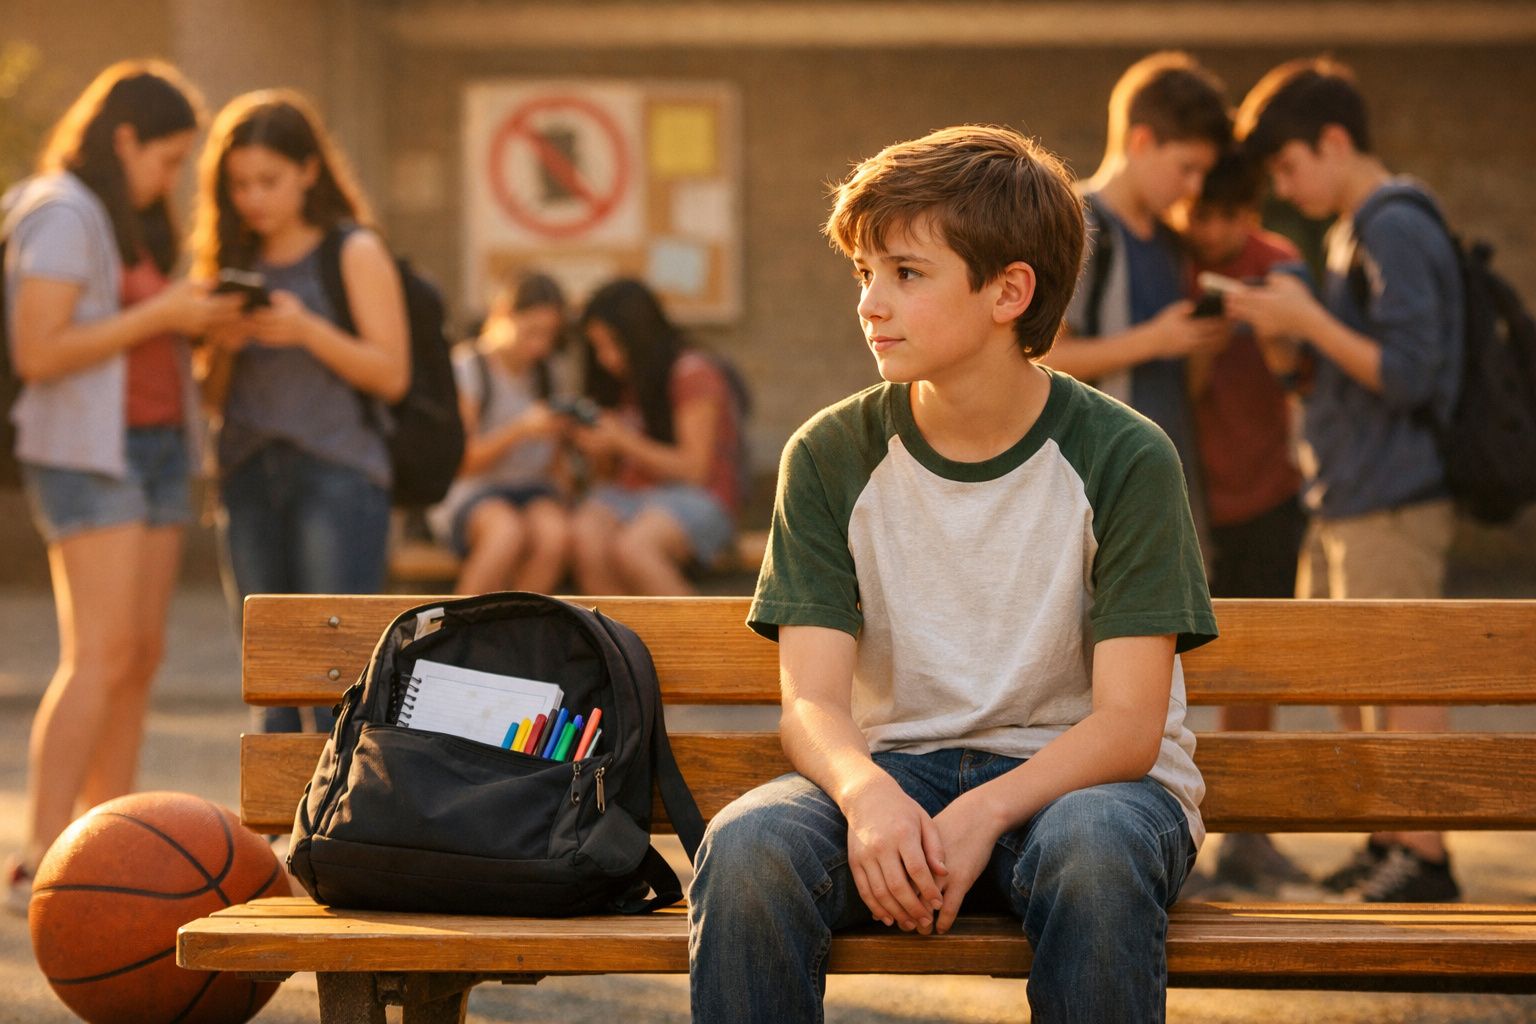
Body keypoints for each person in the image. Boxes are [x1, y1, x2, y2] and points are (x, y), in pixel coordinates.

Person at [688, 125, 1218, 1022]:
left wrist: (982, 816)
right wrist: (868, 795)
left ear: (1010, 290)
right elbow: (812, 704)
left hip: (1088, 789)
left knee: (1093, 853)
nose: (870, 303)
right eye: (864, 273)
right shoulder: (828, 453)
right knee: (750, 848)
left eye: (906, 273)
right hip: (897, 772)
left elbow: (1129, 728)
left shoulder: (1127, 456)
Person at [1, 61, 242, 912]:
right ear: (125, 137)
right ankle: (39, 854)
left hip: (153, 448)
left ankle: (106, 844)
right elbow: (41, 352)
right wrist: (165, 314)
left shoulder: (126, 218)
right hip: (85, 455)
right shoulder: (60, 209)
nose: (172, 179)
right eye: (168, 158)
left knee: (140, 657)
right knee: (98, 655)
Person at [1225, 58, 1463, 902]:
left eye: (1289, 167)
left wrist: (1308, 319)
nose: (1286, 185)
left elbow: (1410, 374)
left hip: (1393, 500)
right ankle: (1389, 839)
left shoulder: (1393, 222)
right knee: (1353, 682)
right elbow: (1348, 376)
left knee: (1402, 681)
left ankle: (1426, 858)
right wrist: (1292, 346)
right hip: (1349, 495)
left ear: (1334, 141)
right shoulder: (1352, 229)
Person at [191, 90, 408, 733]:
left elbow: (392, 375)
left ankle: (342, 826)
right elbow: (209, 396)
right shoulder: (231, 256)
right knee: (269, 679)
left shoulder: (352, 250)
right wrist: (224, 347)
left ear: (309, 171)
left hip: (337, 473)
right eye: (238, 184)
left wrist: (307, 330)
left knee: (340, 675)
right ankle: (275, 831)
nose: (253, 198)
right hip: (248, 474)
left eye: (269, 180)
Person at [1180, 149, 1311, 892]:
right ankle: (1185, 826)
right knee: (1182, 670)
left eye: (1226, 218)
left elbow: (1301, 375)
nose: (1211, 233)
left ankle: (1249, 832)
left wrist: (1274, 334)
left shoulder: (1280, 262)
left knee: (1258, 668)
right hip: (1193, 491)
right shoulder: (1172, 263)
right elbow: (1177, 390)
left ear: (1249, 215)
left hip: (1266, 491)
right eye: (1199, 216)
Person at [1044, 51, 1232, 518]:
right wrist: (1154, 340)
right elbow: (1040, 357)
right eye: (1187, 167)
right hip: (1094, 491)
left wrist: (1201, 342)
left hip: (1164, 490)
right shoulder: (1075, 223)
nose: (1194, 187)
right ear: (1141, 141)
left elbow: (1185, 389)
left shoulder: (1172, 242)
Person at [567, 278, 743, 595]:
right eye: (596, 348)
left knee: (634, 548)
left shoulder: (692, 371)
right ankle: (614, 642)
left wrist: (622, 440)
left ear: (636, 336)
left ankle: (700, 643)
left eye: (610, 345)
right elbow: (609, 476)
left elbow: (694, 470)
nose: (604, 359)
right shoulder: (622, 381)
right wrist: (598, 450)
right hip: (632, 495)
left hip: (699, 497)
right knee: (583, 535)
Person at [426, 272, 571, 594]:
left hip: (531, 487)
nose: (540, 345)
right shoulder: (468, 367)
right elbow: (461, 462)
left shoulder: (550, 371)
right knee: (506, 533)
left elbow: (555, 464)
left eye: (550, 335)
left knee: (556, 536)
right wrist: (520, 430)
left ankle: (519, 635)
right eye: (531, 331)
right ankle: (457, 634)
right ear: (502, 315)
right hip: (475, 490)